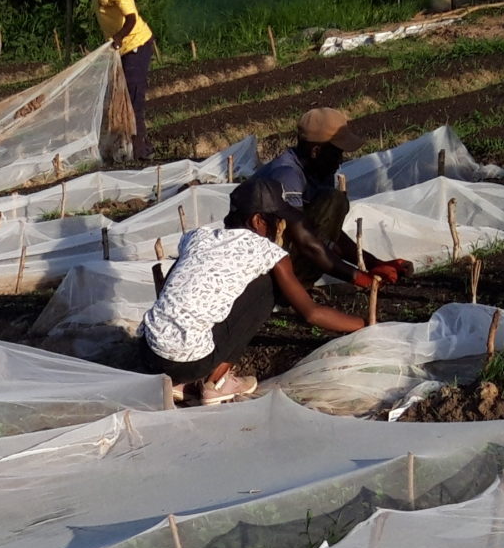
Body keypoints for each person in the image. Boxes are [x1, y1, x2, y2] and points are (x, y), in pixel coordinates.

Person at [141, 176, 366, 405]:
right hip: (189, 362)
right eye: (277, 221)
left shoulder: (198, 236)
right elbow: (310, 312)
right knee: (269, 286)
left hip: (149, 352)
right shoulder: (266, 251)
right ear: (258, 220)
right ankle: (216, 384)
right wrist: (364, 325)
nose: (280, 228)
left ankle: (180, 384)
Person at [255, 107, 407, 289]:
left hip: (289, 254)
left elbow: (326, 236)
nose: (340, 161)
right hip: (260, 271)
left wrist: (375, 263)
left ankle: (298, 287)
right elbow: (305, 241)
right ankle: (288, 290)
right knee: (334, 200)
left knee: (335, 201)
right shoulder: (287, 176)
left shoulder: (318, 172)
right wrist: (358, 277)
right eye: (337, 153)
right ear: (316, 151)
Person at [80, 0, 154, 164]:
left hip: (135, 46)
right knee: (119, 100)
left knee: (132, 100)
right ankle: (135, 146)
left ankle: (141, 153)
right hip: (119, 49)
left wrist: (118, 39)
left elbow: (131, 18)